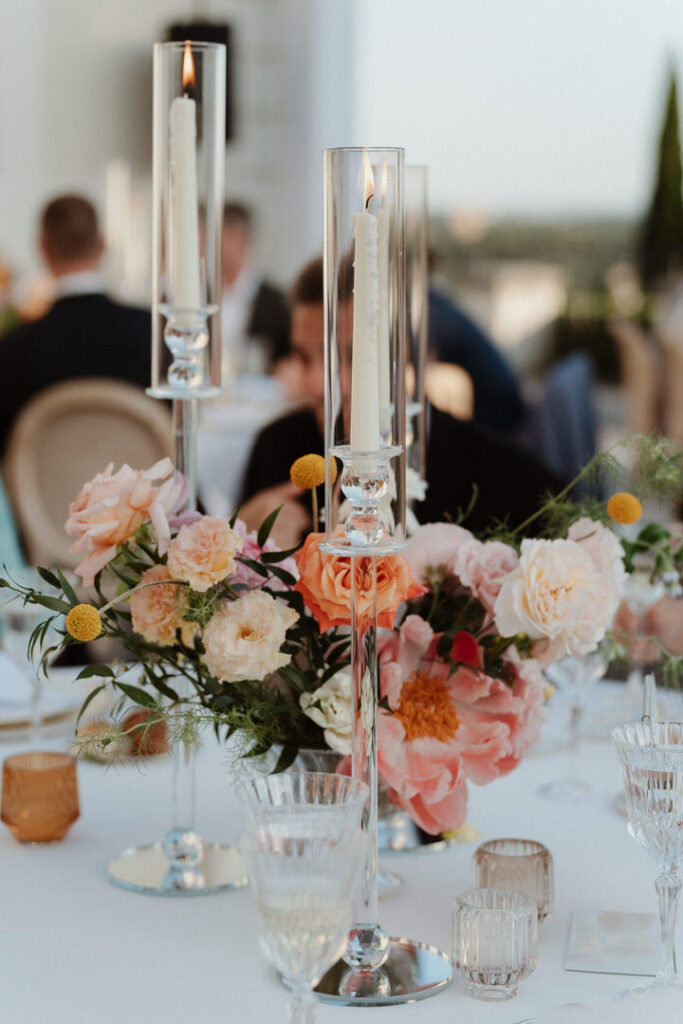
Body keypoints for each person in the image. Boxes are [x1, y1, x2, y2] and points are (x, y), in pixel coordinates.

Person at [239, 257, 561, 548]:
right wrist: (244, 542)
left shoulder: (512, 481)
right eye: (303, 357)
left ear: (403, 355)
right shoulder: (276, 451)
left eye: (348, 357)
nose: (313, 382)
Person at [0, 194, 151, 457]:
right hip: (142, 495)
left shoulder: (13, 350)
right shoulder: (153, 332)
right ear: (103, 245)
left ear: (43, 249)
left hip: (38, 496)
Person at [428, 268, 525, 434]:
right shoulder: (443, 305)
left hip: (497, 416)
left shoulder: (434, 312)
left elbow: (422, 368)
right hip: (504, 406)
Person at [221, 202, 290, 372]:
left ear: (243, 240)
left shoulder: (277, 301)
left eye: (228, 237)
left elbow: (286, 359)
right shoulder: (201, 295)